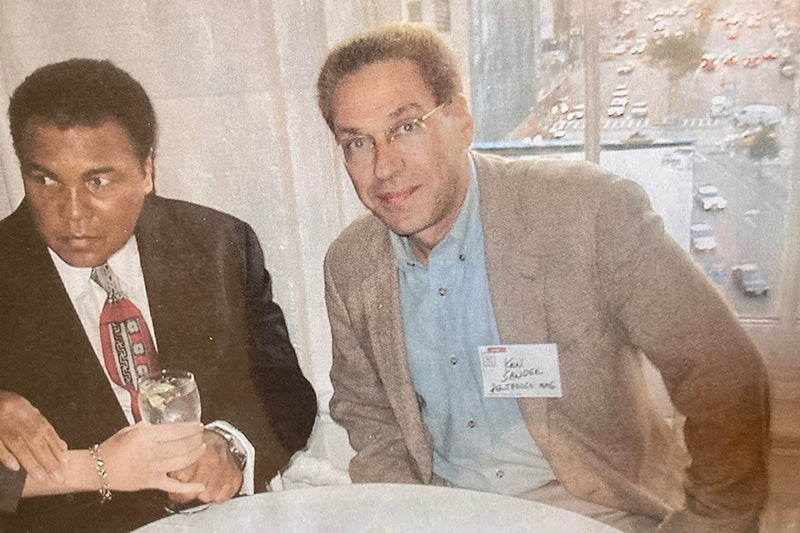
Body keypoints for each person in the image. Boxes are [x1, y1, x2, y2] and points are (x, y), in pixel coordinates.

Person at [316, 24, 769, 533]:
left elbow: (720, 370)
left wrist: (710, 523)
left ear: (460, 120)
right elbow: (367, 410)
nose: (384, 167)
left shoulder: (588, 212)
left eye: (406, 127)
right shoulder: (350, 265)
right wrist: (409, 515)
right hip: (442, 513)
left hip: (599, 510)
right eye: (358, 142)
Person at [0, 58, 317, 532]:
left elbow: (285, 392)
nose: (72, 212)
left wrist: (230, 447)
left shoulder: (221, 244)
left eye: (98, 180)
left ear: (147, 170)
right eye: (45, 179)